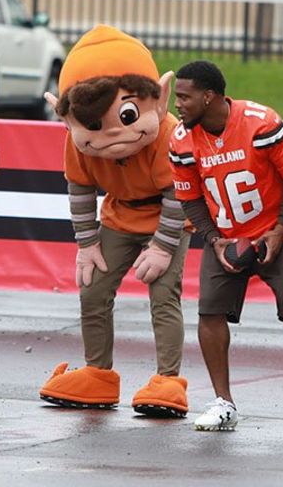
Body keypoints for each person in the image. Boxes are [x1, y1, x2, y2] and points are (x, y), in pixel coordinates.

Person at [36, 25, 191, 417]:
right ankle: (98, 373)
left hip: (167, 214)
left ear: (159, 96)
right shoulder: (76, 143)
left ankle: (168, 380)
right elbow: (80, 190)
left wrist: (162, 246)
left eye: (125, 114)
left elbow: (179, 193)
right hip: (119, 214)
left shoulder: (169, 134)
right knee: (93, 289)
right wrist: (87, 244)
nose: (112, 135)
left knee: (163, 294)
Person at [168, 60, 283, 434]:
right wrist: (214, 240)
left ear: (209, 97)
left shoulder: (261, 122)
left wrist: (279, 229)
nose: (178, 105)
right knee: (209, 313)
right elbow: (190, 199)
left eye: (185, 97)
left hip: (281, 231)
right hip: (226, 234)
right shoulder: (181, 139)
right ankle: (224, 402)